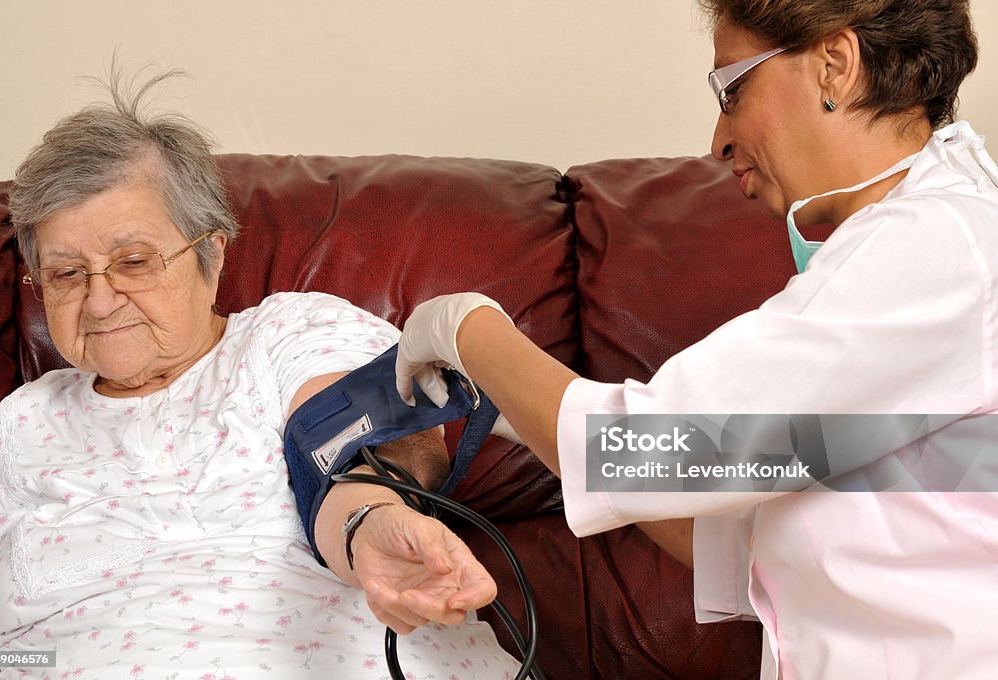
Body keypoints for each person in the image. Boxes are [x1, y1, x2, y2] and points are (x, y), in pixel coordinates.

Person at [393, 1, 998, 678]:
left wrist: (466, 327)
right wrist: (518, 418)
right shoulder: (936, 242)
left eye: (733, 90)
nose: (718, 140)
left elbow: (650, 455)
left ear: (837, 65)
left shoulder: (935, 246)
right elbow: (770, 550)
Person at [0, 71, 521, 679]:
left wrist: (370, 527)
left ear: (212, 255)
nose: (100, 301)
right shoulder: (14, 428)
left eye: (133, 262)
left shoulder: (289, 334)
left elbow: (347, 451)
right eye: (67, 274)